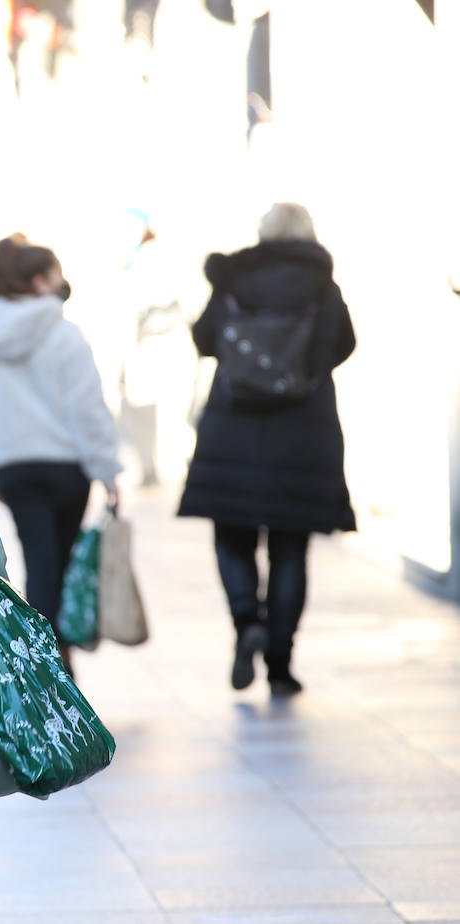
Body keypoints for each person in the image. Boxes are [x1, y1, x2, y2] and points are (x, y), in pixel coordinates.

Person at [178, 202, 356, 696]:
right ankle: (279, 664)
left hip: (233, 429)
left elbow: (204, 338)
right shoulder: (322, 285)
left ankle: (245, 620)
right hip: (303, 432)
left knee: (232, 533)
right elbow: (343, 344)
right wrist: (302, 374)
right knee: (290, 548)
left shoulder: (234, 276)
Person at [0, 237, 120, 670]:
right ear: (38, 282)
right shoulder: (65, 334)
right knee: (57, 564)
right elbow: (87, 408)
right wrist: (107, 471)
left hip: (14, 466)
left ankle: (49, 661)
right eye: (55, 274)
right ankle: (53, 664)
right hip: (67, 468)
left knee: (40, 561)